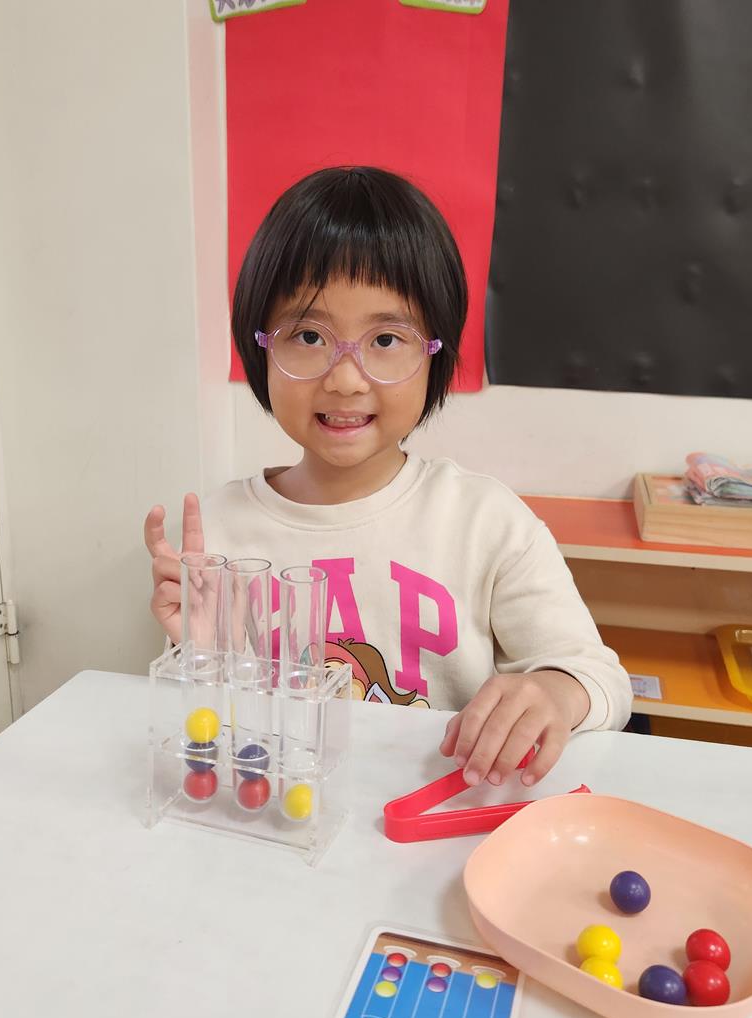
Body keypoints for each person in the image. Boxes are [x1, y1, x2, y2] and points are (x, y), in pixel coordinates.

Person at [145, 166, 631, 789]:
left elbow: (597, 675)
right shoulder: (217, 534)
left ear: (435, 352)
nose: (346, 379)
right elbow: (207, 744)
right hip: (285, 816)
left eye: (386, 339)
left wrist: (554, 692)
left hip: (437, 818)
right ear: (260, 346)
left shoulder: (486, 521)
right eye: (309, 335)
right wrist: (202, 658)